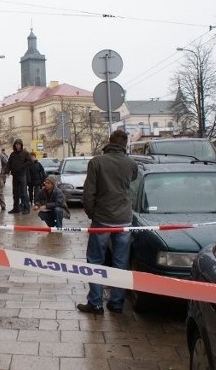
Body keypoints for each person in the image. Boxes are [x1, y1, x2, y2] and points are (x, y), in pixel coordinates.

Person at [77, 130, 138, 315]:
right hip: (124, 219)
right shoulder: (131, 164)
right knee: (121, 261)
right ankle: (117, 303)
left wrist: (91, 213)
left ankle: (95, 303)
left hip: (102, 219)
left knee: (95, 259)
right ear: (125, 145)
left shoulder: (97, 162)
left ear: (109, 142)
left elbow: (89, 193)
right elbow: (132, 181)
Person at [5, 138, 32, 214]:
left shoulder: (25, 153)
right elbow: (9, 163)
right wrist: (7, 171)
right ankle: (16, 208)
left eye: (19, 144)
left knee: (23, 192)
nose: (17, 146)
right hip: (15, 176)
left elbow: (30, 161)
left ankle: (26, 208)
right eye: (16, 144)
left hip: (22, 175)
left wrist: (22, 166)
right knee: (15, 192)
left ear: (21, 145)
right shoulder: (12, 154)